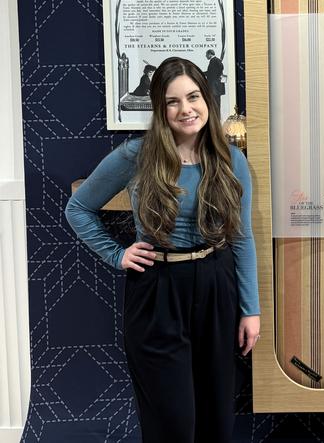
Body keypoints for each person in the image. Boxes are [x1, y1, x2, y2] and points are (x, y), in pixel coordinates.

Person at [65, 57, 259, 443]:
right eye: (173, 101)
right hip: (157, 292)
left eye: (193, 96)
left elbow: (241, 237)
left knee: (216, 422)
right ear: (159, 108)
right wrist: (116, 254)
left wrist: (249, 309)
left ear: (208, 98)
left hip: (216, 287)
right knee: (173, 425)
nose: (186, 109)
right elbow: (79, 208)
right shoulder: (136, 155)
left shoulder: (231, 159)